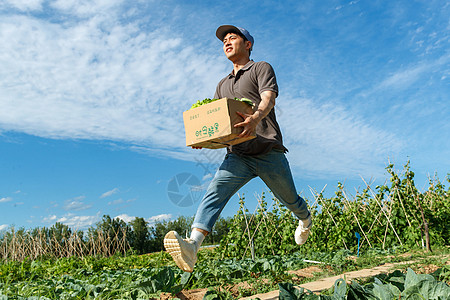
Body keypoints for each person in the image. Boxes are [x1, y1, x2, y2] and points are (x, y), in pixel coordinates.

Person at [164, 25, 312, 273]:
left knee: (289, 199)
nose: (226, 42)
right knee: (215, 191)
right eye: (223, 40)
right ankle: (192, 247)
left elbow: (268, 98)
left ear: (248, 44)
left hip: (267, 149)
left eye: (232, 37)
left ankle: (305, 220)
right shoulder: (222, 85)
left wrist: (255, 118)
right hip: (238, 155)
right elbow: (216, 119)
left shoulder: (260, 68)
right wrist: (206, 136)